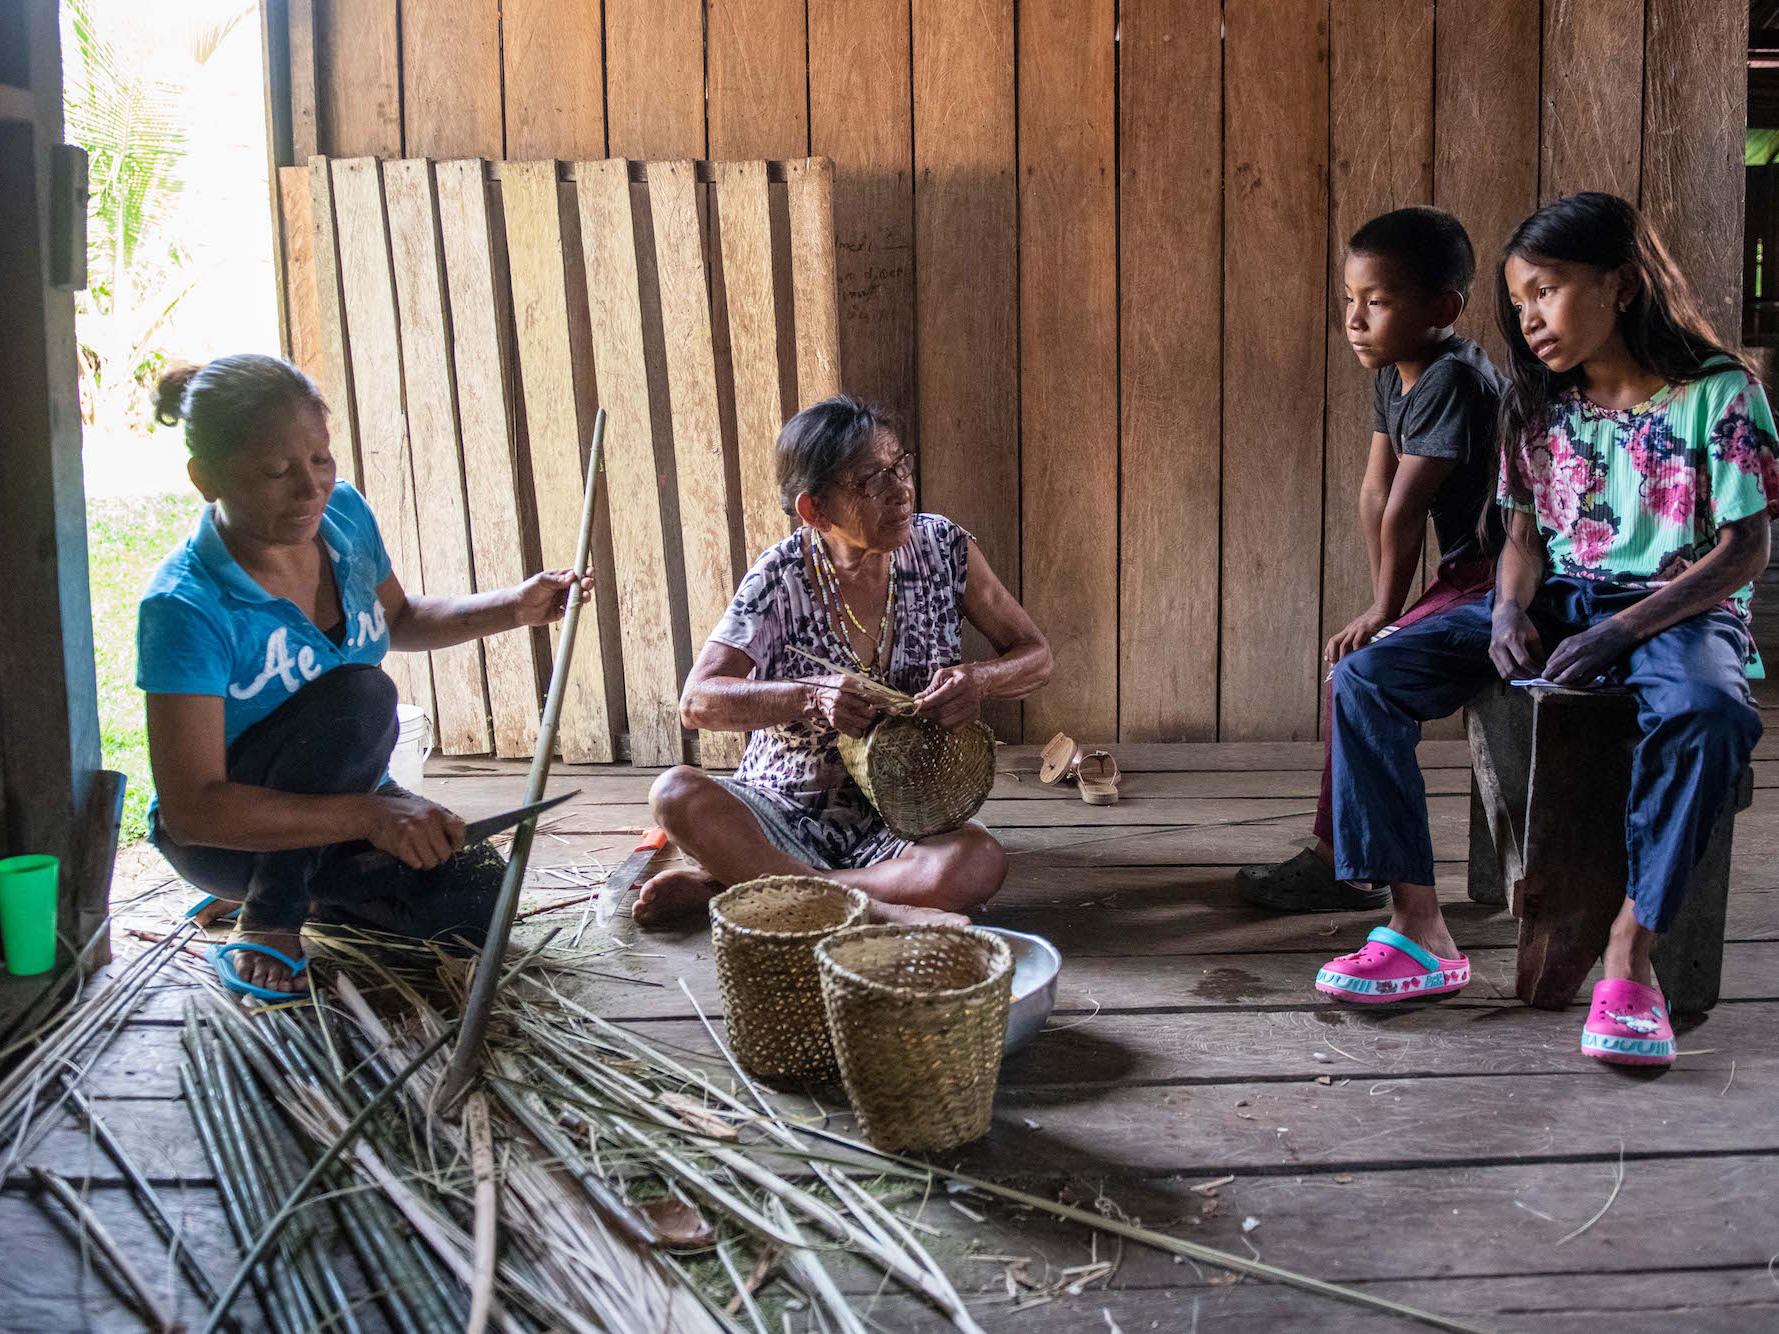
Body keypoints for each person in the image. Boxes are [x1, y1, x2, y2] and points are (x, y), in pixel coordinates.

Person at [1315, 193, 1775, 1068]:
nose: (1528, 319)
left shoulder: (1718, 392)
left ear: (1623, 286)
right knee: (1365, 678)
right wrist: (1506, 610)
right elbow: (1521, 535)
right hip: (1561, 597)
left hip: (1679, 604)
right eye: (1518, 300)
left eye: (1548, 291)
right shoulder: (1535, 401)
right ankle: (1417, 930)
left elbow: (1744, 551)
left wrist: (1621, 631)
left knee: (1710, 714)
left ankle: (1628, 956)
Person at [138, 355, 593, 999]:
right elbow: (192, 811)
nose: (310, 490)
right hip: (231, 837)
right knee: (361, 698)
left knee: (472, 898)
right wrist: (371, 814)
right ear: (205, 478)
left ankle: (306, 897)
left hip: (336, 809)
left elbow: (400, 618)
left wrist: (513, 607)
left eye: (321, 461)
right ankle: (270, 916)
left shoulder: (344, 518)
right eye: (276, 471)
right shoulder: (184, 606)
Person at [632, 396, 1053, 928]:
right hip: (783, 808)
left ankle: (745, 887)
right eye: (869, 482)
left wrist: (981, 680)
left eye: (900, 465)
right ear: (815, 510)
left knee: (978, 862)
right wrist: (809, 696)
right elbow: (698, 701)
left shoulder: (943, 547)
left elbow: (1036, 656)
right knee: (675, 793)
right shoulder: (780, 577)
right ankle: (874, 909)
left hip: (901, 816)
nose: (899, 490)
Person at [1239, 207, 1506, 913]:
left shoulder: (1453, 379)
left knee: (1362, 668)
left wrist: (1386, 610)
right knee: (1352, 667)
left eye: (1377, 302)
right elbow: (1372, 490)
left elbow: (1405, 508)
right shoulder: (1395, 374)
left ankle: (1347, 865)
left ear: (1441, 307)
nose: (1354, 320)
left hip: (1501, 578)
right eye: (1349, 300)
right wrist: (1380, 605)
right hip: (1463, 576)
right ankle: (1341, 855)